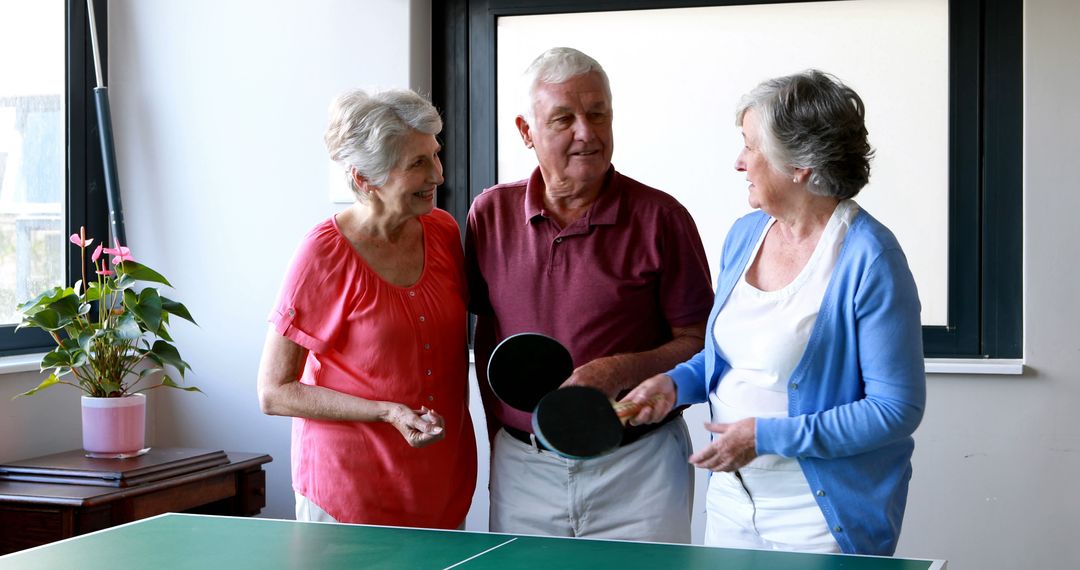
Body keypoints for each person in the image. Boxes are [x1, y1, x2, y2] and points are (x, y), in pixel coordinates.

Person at [622, 70, 925, 555]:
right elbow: (733, 357)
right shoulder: (745, 235)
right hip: (731, 499)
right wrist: (676, 382)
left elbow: (896, 410)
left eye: (750, 146)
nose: (738, 163)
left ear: (799, 165)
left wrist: (766, 436)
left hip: (820, 512)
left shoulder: (870, 257)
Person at [465, 47, 714, 543]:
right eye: (564, 118)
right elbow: (478, 335)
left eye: (598, 113)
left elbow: (701, 342)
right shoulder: (488, 216)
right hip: (524, 466)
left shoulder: (662, 218)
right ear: (525, 130)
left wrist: (616, 371)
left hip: (638, 467)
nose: (587, 132)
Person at [257, 88, 476, 528]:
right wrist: (387, 411)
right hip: (349, 491)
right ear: (364, 179)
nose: (438, 174)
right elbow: (274, 392)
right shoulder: (323, 254)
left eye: (435, 155)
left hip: (439, 483)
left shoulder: (444, 231)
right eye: (417, 164)